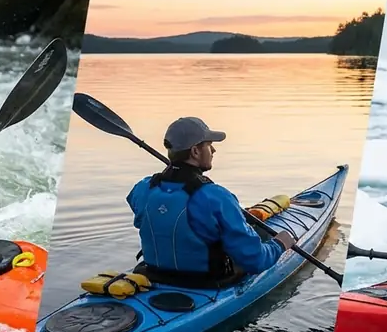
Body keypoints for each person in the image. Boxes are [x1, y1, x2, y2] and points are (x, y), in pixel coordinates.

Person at [126, 116, 295, 287]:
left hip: (153, 275)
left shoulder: (144, 188)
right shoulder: (216, 197)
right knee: (256, 239)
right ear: (195, 151)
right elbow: (256, 261)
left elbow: (153, 215)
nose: (213, 150)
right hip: (206, 283)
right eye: (208, 144)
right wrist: (280, 244)